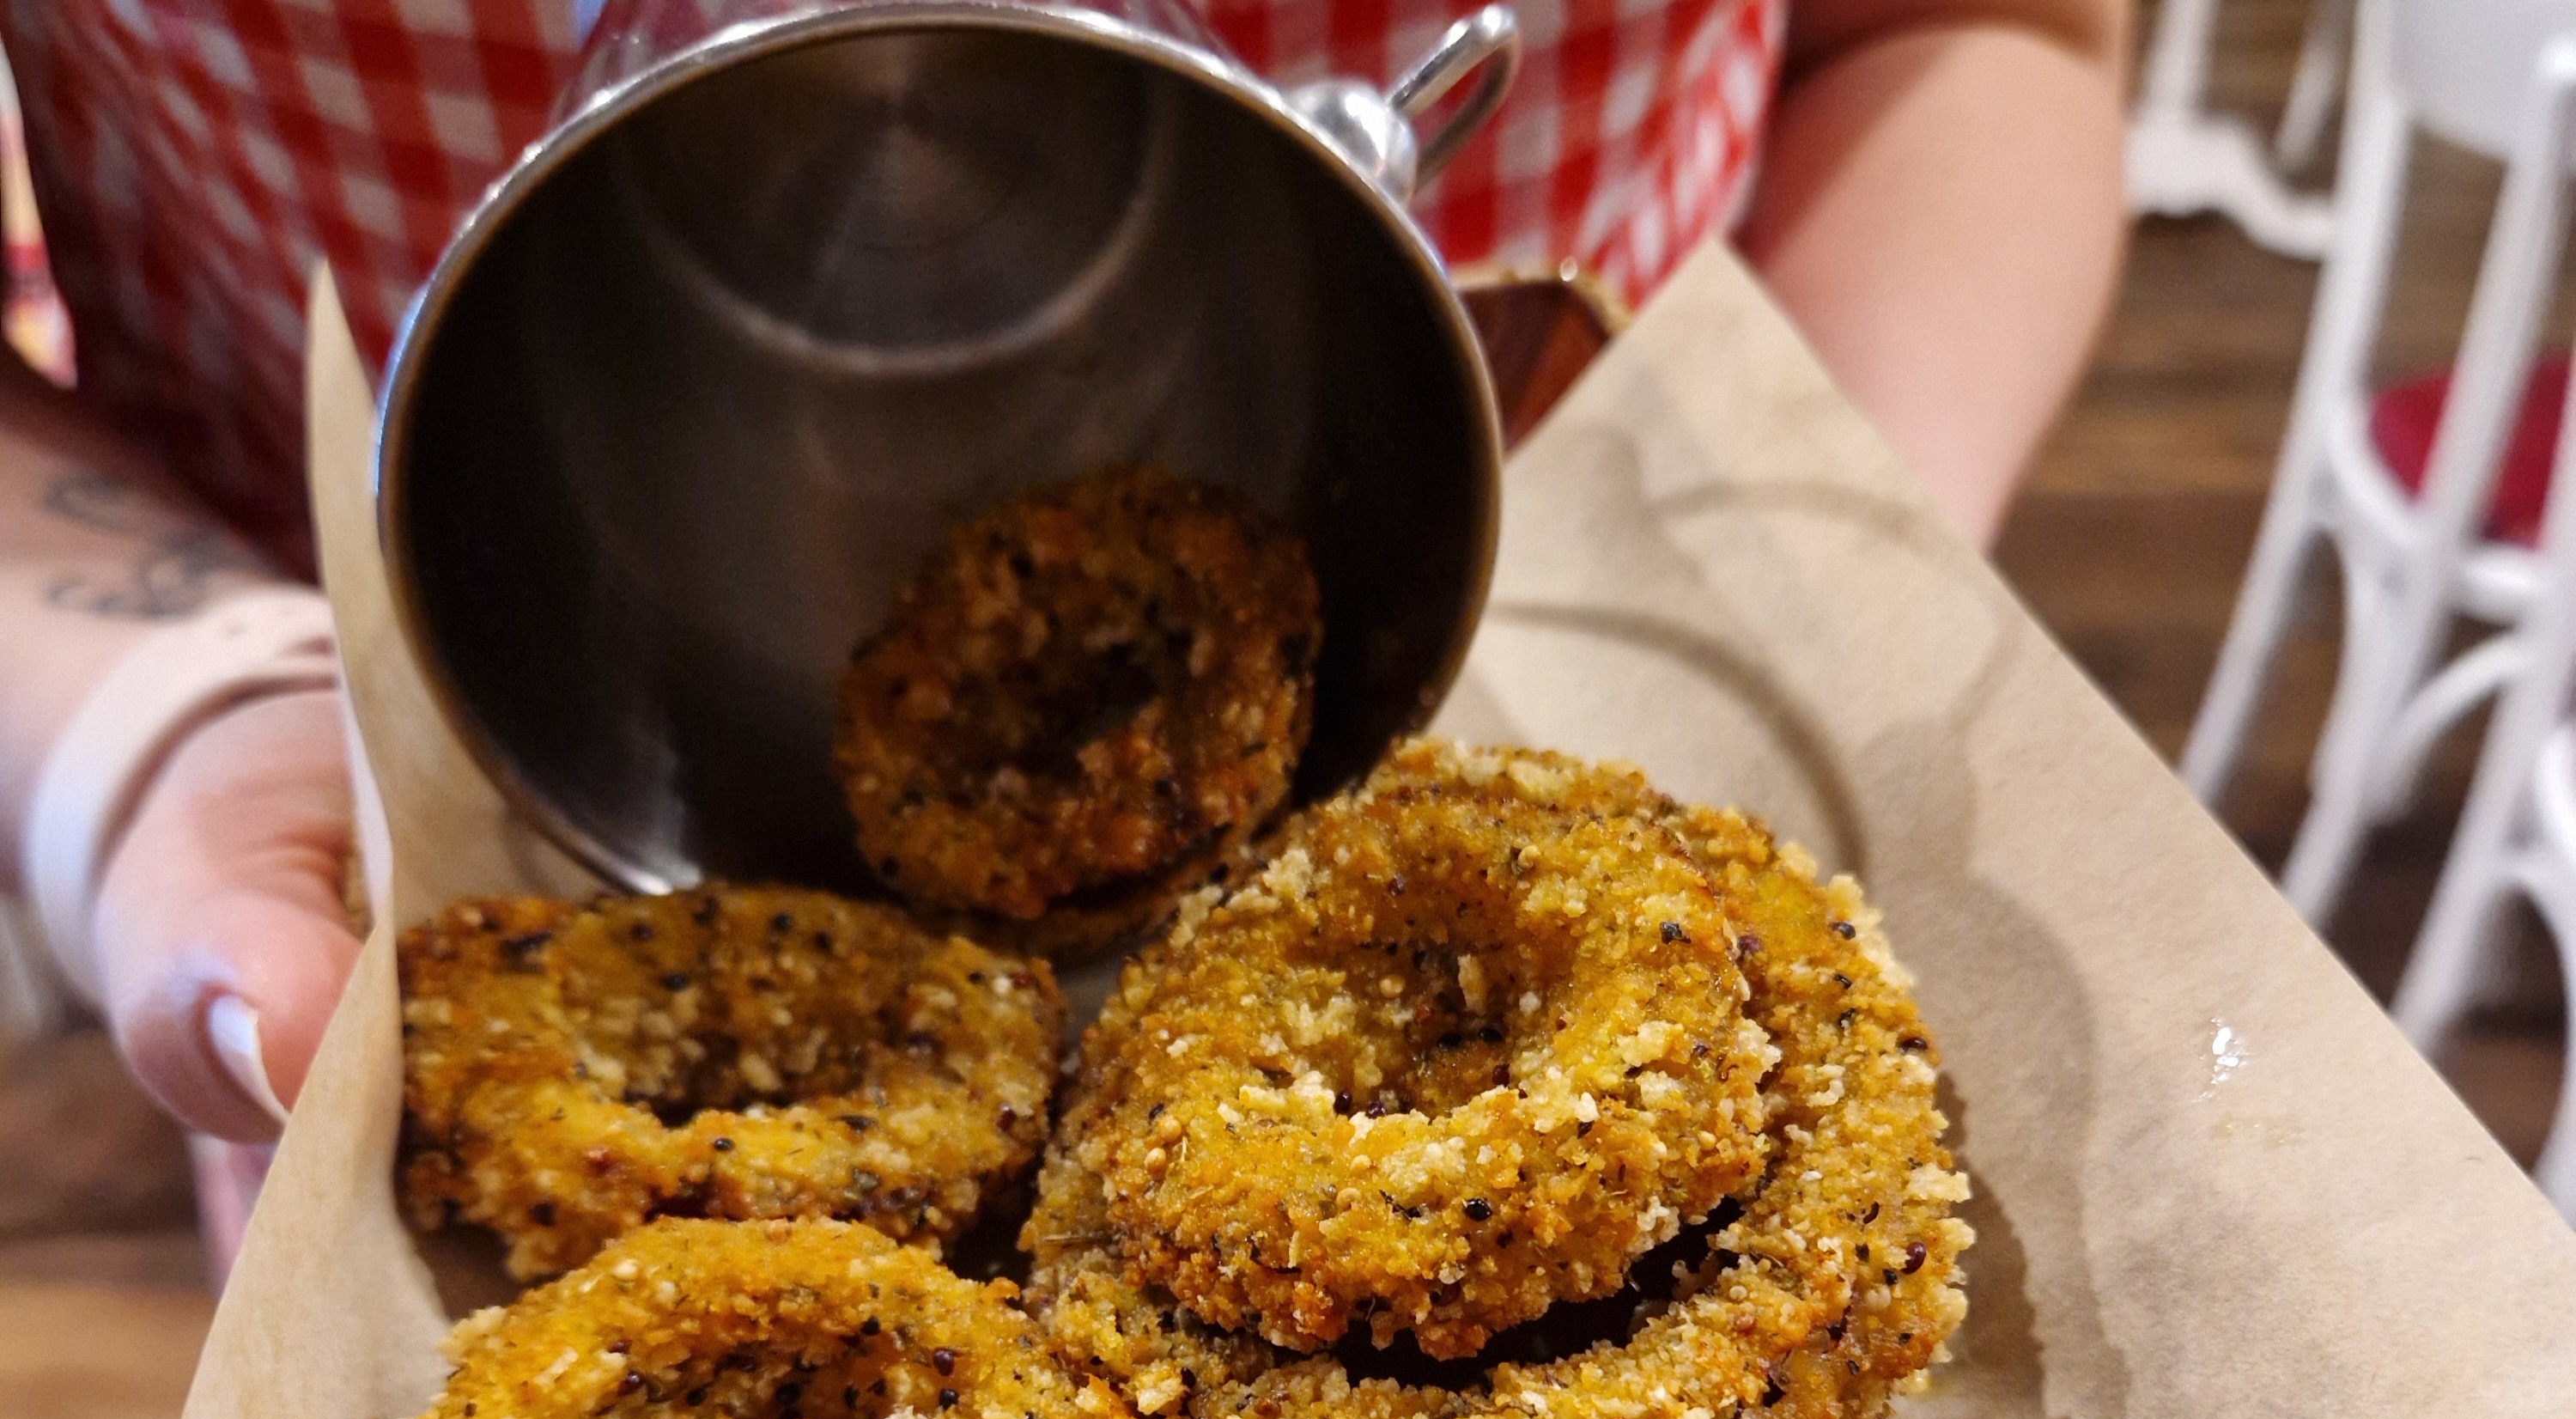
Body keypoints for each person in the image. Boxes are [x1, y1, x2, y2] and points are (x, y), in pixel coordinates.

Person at [0, 0, 2130, 1175]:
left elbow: (1968, 30)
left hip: (1599, 637)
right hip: (412, 781)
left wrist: (1808, 589)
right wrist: (167, 719)